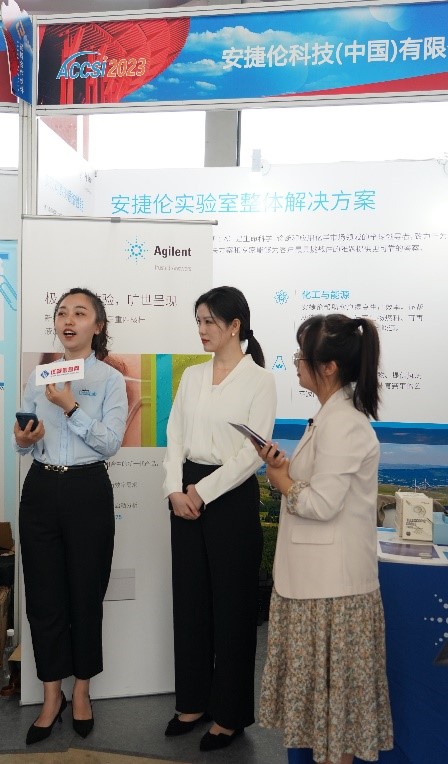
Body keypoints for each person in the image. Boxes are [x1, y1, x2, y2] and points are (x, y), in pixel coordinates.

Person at [255, 314, 393, 764]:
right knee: (326, 720)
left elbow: (322, 503)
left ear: (328, 367)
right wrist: (285, 469)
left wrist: (283, 482)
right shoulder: (330, 417)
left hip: (331, 592)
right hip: (317, 586)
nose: (296, 363)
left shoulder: (344, 423)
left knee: (337, 723)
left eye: (302, 356)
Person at [163, 285, 277, 751]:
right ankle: (192, 702)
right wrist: (175, 489)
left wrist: (202, 492)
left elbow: (252, 455)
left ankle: (229, 715)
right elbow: (174, 434)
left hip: (229, 497)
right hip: (184, 494)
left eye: (209, 321)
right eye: (199, 321)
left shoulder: (260, 380)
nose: (202, 329)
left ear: (235, 326)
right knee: (190, 602)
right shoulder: (192, 376)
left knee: (232, 607)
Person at [14, 287, 128, 746]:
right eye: (62, 312)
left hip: (87, 490)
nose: (68, 320)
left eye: (80, 313)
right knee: (44, 598)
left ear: (97, 327)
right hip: (41, 488)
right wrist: (25, 440)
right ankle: (51, 696)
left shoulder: (110, 379)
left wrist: (71, 408)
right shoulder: (40, 375)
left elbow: (110, 442)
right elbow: (23, 440)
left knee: (85, 593)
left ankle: (81, 691)